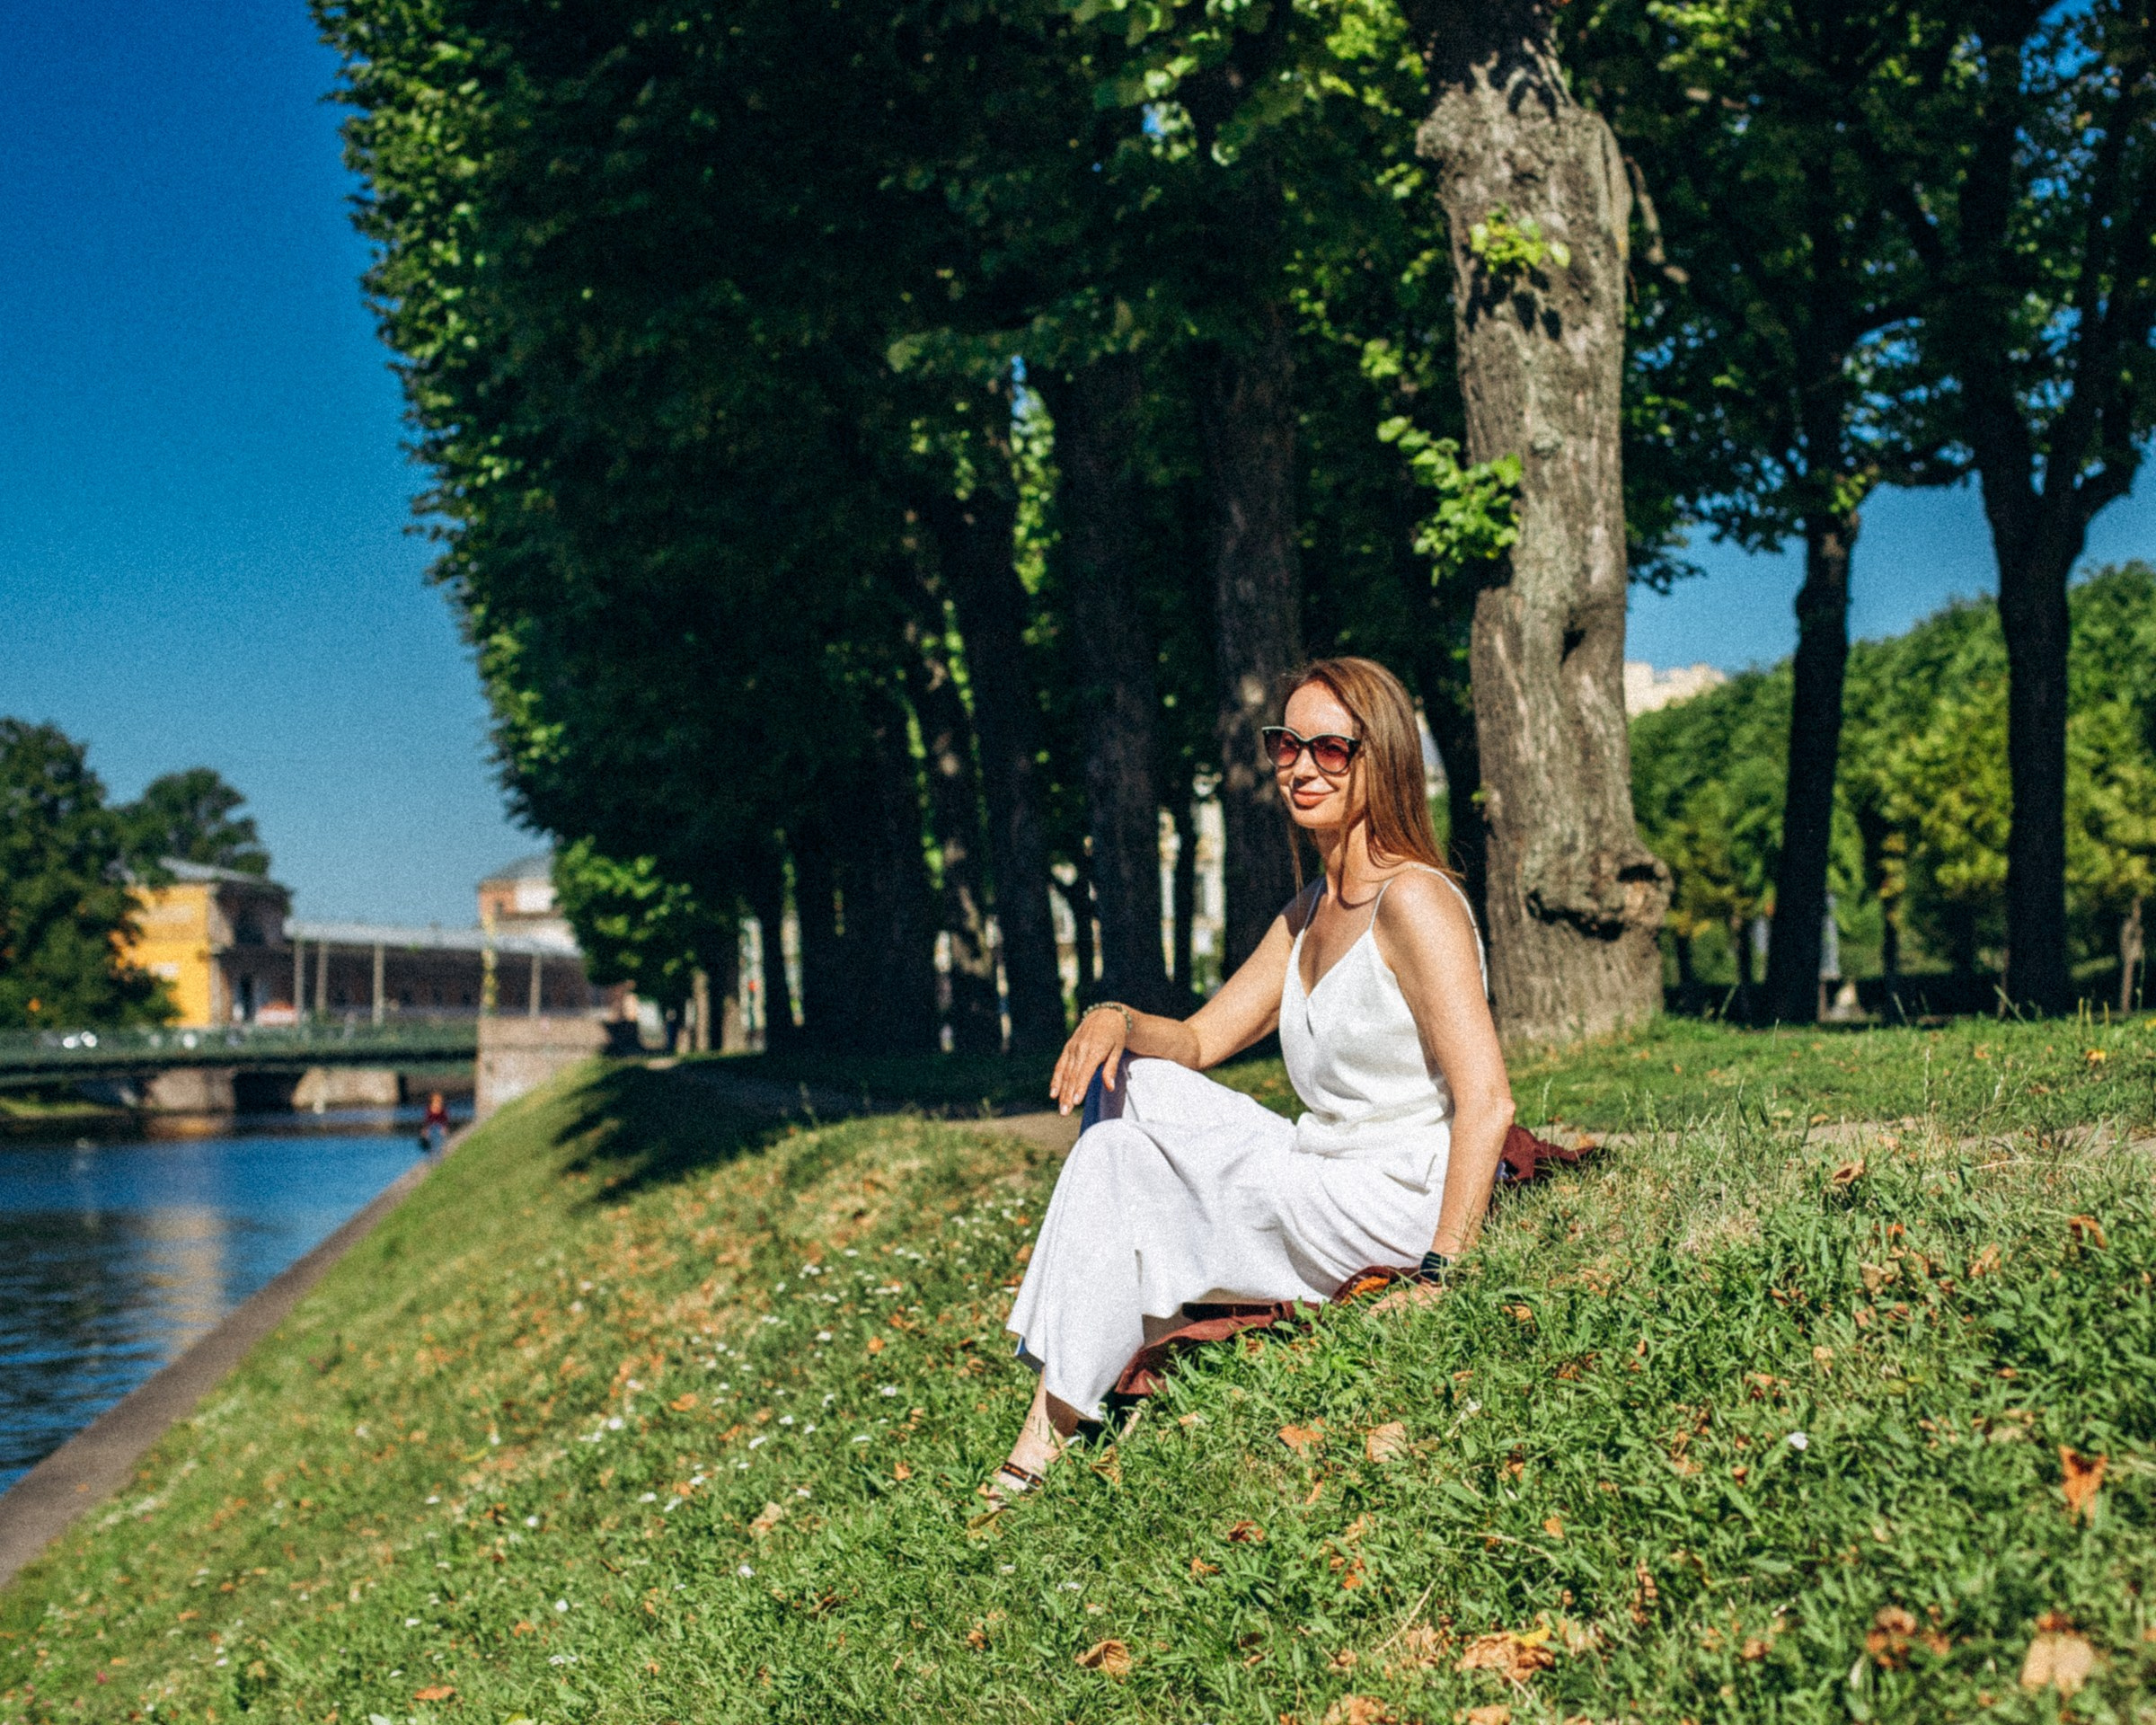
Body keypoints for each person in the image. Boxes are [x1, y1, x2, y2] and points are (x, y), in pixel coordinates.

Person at [989, 656, 1515, 1507]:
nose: (1302, 768)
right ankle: (1137, 1318)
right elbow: (1199, 1040)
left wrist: (1440, 1273)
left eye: (1331, 749)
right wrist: (1117, 1018)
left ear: (1383, 758)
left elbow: (1487, 1101)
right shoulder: (1309, 912)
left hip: (1392, 1197)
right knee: (1135, 1083)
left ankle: (1041, 1441)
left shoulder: (1414, 901)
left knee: (1116, 1159)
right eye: (1286, 745)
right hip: (1320, 1167)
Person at [420, 1091, 451, 1155]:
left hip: (440, 1127)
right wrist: (425, 1129)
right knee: (431, 1140)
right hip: (431, 1127)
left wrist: (444, 1127)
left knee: (440, 1140)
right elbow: (427, 1120)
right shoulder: (429, 1109)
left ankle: (441, 1153)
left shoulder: (443, 1109)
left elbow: (445, 1119)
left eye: (439, 1100)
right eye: (435, 1100)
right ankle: (432, 1153)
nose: (437, 1102)